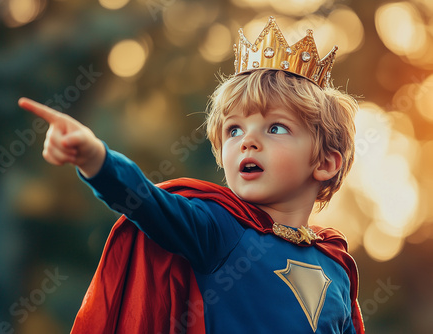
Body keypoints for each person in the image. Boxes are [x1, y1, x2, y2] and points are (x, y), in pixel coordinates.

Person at [19, 16, 364, 334]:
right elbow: (148, 203)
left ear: (325, 163)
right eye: (234, 131)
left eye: (275, 127)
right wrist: (97, 159)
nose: (248, 142)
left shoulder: (336, 265)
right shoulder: (218, 230)